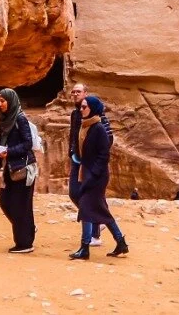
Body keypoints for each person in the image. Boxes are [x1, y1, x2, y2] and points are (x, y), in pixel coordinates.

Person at [70, 95, 129, 260]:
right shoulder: (85, 126)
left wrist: (92, 175)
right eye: (81, 107)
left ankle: (84, 247)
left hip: (97, 176)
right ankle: (121, 242)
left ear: (93, 109)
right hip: (88, 173)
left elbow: (104, 155)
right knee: (101, 209)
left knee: (85, 207)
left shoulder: (98, 128)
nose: (81, 109)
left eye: (84, 107)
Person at [0, 87, 37, 253]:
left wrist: (9, 152)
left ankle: (25, 243)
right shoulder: (4, 120)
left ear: (10, 101)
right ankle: (27, 229)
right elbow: (1, 142)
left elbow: (27, 144)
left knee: (21, 205)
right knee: (4, 201)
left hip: (23, 168)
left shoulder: (20, 119)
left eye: (3, 101)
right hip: (10, 168)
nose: (0, 104)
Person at [66, 82, 101, 244]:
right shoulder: (75, 114)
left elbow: (107, 136)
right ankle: (96, 220)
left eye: (78, 91)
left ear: (85, 93)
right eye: (73, 92)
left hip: (89, 162)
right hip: (77, 159)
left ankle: (94, 234)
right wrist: (71, 152)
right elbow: (74, 135)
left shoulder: (95, 112)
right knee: (74, 192)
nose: (75, 94)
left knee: (89, 195)